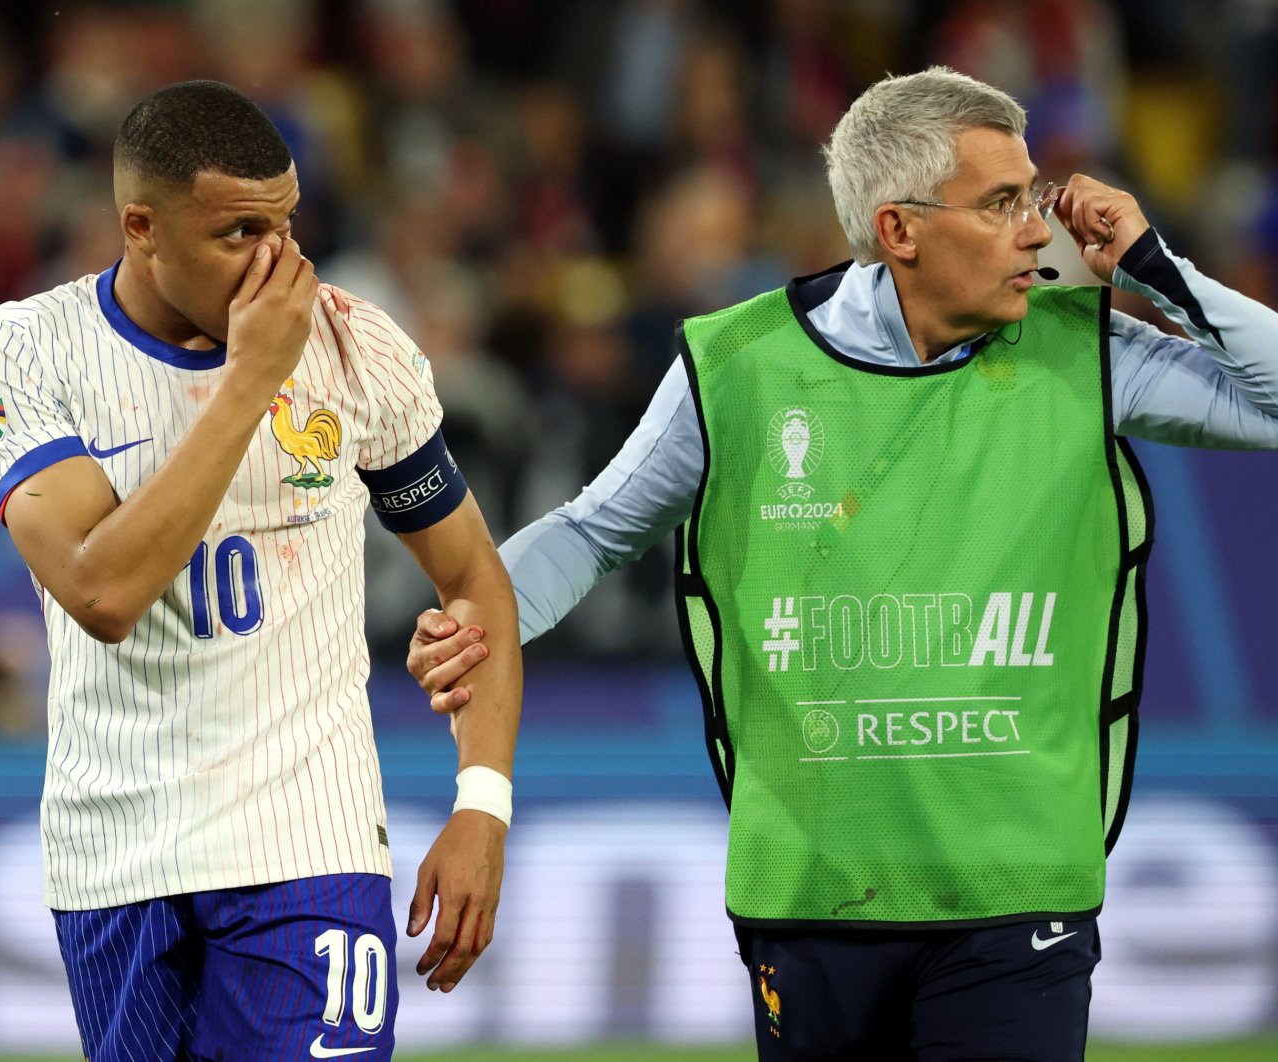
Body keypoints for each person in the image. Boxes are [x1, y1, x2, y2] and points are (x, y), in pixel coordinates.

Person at [408, 66, 1278, 1061]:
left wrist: (1157, 267)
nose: (1036, 232)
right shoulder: (736, 365)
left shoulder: (1083, 352)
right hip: (810, 894)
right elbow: (591, 530)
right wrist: (483, 610)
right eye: (1001, 205)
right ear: (898, 229)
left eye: (1031, 197)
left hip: (1017, 896)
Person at [0, 80, 522, 1061]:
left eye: (289, 223)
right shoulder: (26, 351)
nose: (281, 262)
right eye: (238, 232)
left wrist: (482, 805)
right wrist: (251, 379)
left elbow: (472, 577)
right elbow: (101, 593)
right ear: (141, 226)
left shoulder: (357, 347)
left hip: (308, 839)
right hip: (115, 851)